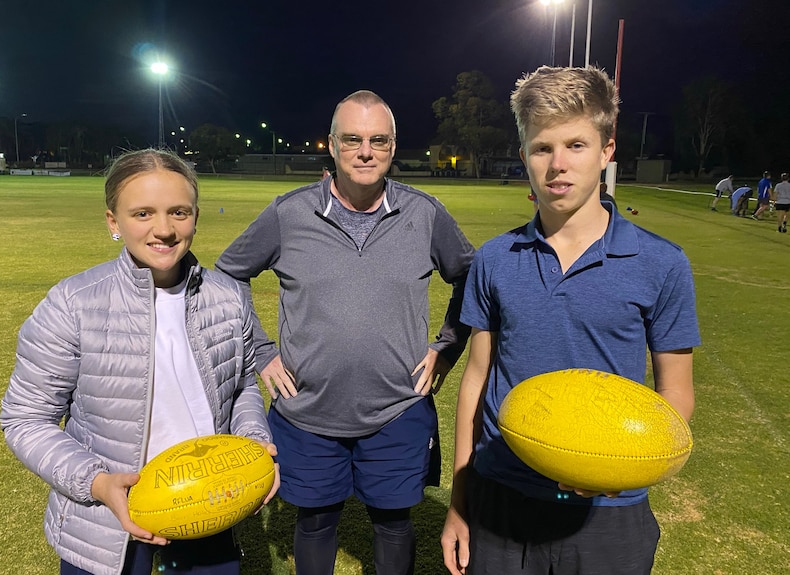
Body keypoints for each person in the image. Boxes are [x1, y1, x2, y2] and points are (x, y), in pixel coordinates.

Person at [441, 66, 701, 575]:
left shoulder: (662, 263)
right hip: (501, 493)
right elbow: (476, 380)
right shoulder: (495, 258)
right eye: (542, 148)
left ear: (607, 150)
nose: (557, 165)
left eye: (576, 145)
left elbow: (677, 394)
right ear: (524, 157)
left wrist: (614, 463)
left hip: (607, 511)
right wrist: (459, 501)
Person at [216, 90, 475, 575]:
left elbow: (471, 276)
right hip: (307, 409)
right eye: (352, 139)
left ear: (393, 147)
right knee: (314, 522)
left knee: (395, 524)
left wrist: (446, 345)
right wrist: (261, 349)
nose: (365, 151)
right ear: (331, 145)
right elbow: (229, 273)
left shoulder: (424, 213)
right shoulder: (288, 213)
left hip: (398, 407)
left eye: (378, 140)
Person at [0, 148, 279, 575]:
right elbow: (24, 419)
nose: (163, 230)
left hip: (206, 503)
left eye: (178, 212)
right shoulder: (73, 304)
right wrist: (97, 482)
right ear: (114, 221)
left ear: (196, 216)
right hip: (105, 521)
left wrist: (254, 443)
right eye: (143, 213)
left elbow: (241, 386)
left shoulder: (228, 296)